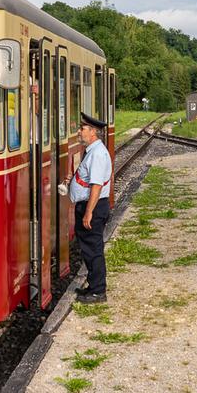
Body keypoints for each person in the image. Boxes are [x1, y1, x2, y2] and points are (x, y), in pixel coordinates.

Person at [69, 112, 112, 304]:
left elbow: (97, 185)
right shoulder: (93, 151)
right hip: (90, 206)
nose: (79, 132)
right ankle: (93, 286)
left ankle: (98, 291)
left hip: (93, 208)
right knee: (89, 249)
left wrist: (88, 212)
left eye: (82, 129)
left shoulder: (98, 154)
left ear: (93, 132)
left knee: (93, 250)